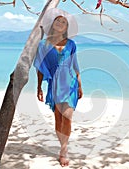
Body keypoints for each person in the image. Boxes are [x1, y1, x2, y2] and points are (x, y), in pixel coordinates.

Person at [33, 8, 82, 167]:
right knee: (58, 118)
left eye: (64, 22)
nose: (60, 23)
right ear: (53, 24)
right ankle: (63, 146)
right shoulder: (43, 45)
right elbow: (40, 68)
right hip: (54, 84)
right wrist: (39, 87)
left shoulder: (72, 44)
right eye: (58, 20)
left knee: (67, 116)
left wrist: (80, 85)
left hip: (70, 83)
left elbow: (75, 65)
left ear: (66, 27)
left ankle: (64, 150)